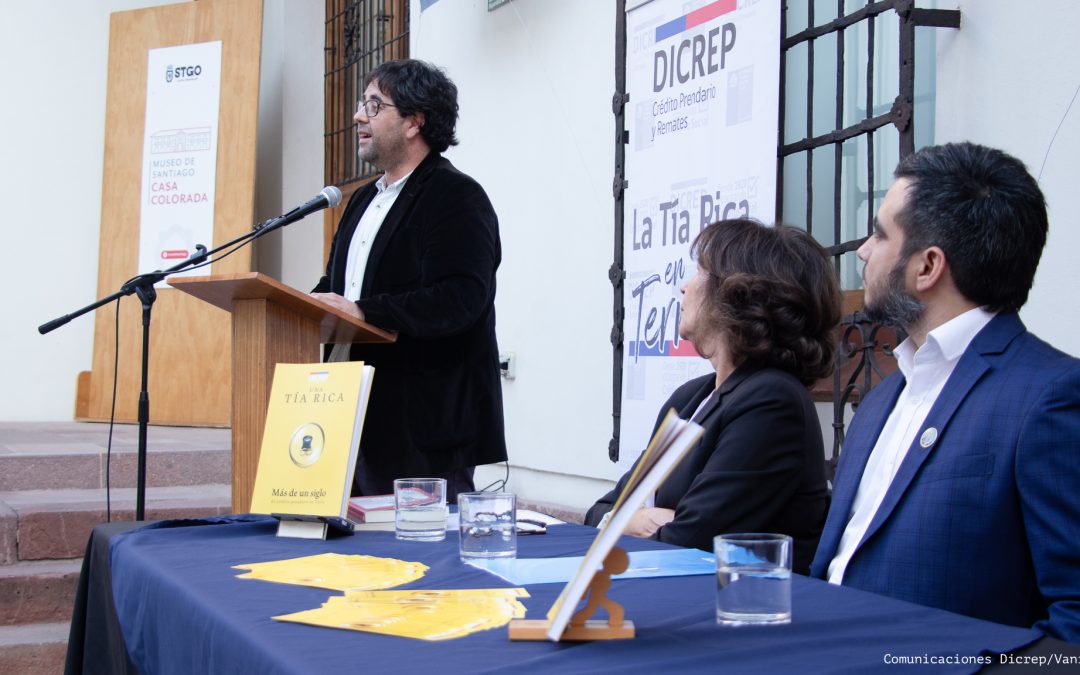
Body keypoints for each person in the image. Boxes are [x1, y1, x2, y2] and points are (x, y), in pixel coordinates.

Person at [810, 142, 1080, 642]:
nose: (863, 251)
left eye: (879, 234)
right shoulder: (882, 400)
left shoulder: (1051, 397)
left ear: (927, 267)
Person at [585, 218, 842, 575]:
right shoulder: (691, 398)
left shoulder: (772, 401)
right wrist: (636, 519)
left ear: (738, 295)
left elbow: (688, 542)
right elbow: (598, 511)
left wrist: (629, 519)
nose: (683, 286)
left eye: (699, 273)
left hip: (740, 604)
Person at [311, 59, 506, 502]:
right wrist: (302, 306)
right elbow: (340, 287)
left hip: (422, 427)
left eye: (374, 105)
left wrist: (363, 312)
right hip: (345, 414)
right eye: (362, 104)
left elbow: (460, 298)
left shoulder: (456, 196)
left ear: (415, 121)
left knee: (417, 546)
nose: (358, 116)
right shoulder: (362, 200)